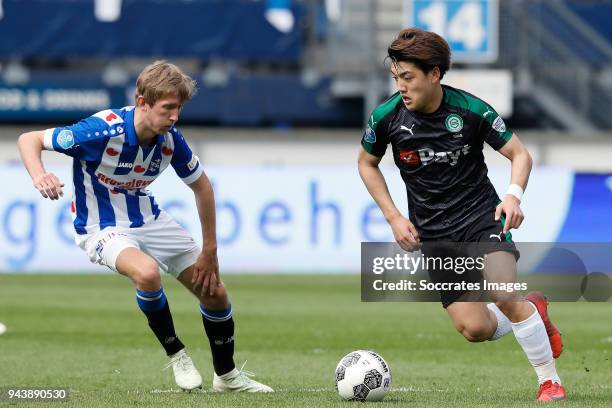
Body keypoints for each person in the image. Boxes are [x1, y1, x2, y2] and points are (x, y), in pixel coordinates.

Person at [17, 60, 273, 393]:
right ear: (142, 103)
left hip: (148, 218)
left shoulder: (171, 140)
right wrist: (41, 176)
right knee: (148, 274)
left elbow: (202, 187)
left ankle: (226, 376)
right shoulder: (99, 132)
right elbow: (29, 139)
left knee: (216, 295)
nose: (174, 117)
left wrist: (210, 249)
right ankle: (177, 353)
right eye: (167, 108)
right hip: (100, 225)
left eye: (178, 109)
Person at [358, 29, 565, 402]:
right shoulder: (386, 117)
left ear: (434, 74)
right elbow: (366, 164)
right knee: (474, 329)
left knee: (503, 292)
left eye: (408, 78)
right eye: (396, 79)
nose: (401, 87)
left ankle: (550, 382)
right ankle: (532, 309)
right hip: (435, 235)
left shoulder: (471, 110)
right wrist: (393, 217)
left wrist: (513, 197)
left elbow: (521, 154)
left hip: (480, 218)